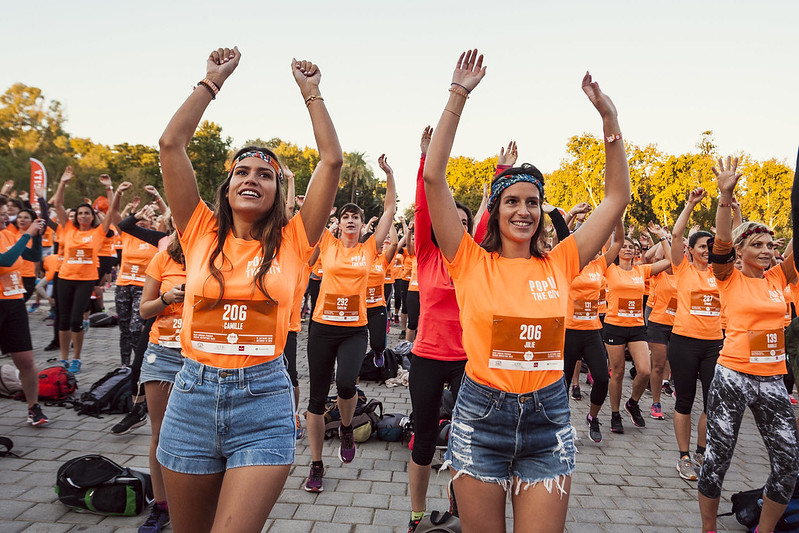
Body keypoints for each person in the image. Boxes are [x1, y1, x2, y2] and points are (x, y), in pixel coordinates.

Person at [423, 49, 630, 532]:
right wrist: (458, 94)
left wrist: (610, 119)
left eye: (533, 202)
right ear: (495, 211)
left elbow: (616, 197)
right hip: (481, 416)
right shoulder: (470, 260)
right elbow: (435, 177)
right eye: (512, 201)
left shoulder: (561, 262)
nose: (524, 210)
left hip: (549, 419)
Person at [157, 46, 342, 533]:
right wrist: (211, 83)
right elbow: (171, 145)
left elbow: (332, 160)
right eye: (242, 171)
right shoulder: (197, 230)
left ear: (279, 191)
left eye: (265, 174)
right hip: (192, 394)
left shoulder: (297, 241)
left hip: (262, 400)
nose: (252, 179)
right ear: (227, 185)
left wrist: (313, 95)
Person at [698, 156, 799, 533]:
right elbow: (721, 241)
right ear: (740, 251)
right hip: (733, 376)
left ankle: (765, 529)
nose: (768, 250)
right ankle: (709, 528)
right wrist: (725, 196)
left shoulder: (778, 278)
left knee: (788, 462)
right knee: (717, 459)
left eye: (771, 245)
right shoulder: (727, 277)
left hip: (773, 379)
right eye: (757, 244)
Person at [304, 153, 396, 492]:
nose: (351, 220)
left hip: (354, 329)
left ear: (361, 225)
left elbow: (389, 211)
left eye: (356, 216)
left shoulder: (369, 249)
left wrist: (388, 175)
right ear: (339, 224)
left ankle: (345, 427)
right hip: (322, 329)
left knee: (345, 384)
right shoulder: (326, 243)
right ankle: (315, 465)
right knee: (315, 398)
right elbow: (310, 212)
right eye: (346, 217)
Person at [407, 125, 473, 532]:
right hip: (427, 359)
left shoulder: (473, 259)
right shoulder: (427, 255)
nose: (456, 223)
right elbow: (422, 206)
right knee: (425, 438)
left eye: (463, 220)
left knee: (467, 440)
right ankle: (416, 514)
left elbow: (485, 223)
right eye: (451, 217)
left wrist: (503, 170)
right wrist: (426, 158)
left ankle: (459, 507)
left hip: (468, 361)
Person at [668, 188, 728, 480]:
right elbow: (677, 235)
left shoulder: (723, 274)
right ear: (691, 250)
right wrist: (690, 205)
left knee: (711, 403)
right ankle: (684, 456)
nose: (707, 250)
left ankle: (703, 451)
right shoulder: (682, 269)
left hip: (714, 345)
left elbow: (734, 242)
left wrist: (729, 205)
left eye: (711, 246)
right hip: (683, 343)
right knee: (684, 401)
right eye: (702, 246)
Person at [603, 229, 671, 433]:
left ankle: (632, 403)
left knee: (644, 370)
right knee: (618, 372)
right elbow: (607, 244)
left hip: (636, 327)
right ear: (617, 251)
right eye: (624, 246)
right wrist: (615, 219)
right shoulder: (609, 269)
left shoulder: (641, 270)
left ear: (635, 253)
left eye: (631, 247)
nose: (627, 249)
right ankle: (615, 414)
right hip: (614, 326)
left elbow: (670, 260)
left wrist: (662, 237)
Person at [563, 218, 623, 443]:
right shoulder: (568, 263)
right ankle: (561, 424)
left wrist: (616, 218)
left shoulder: (599, 264)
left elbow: (618, 242)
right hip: (568, 331)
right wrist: (570, 217)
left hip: (591, 331)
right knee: (563, 383)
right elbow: (559, 238)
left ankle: (592, 417)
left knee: (601, 378)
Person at [52, 168, 115, 373]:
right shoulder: (68, 229)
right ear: (76, 216)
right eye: (80, 213)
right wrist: (63, 183)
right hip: (64, 278)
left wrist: (109, 188)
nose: (83, 215)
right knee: (62, 320)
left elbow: (112, 209)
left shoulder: (99, 232)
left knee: (75, 319)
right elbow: (58, 205)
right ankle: (63, 358)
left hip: (86, 280)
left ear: (92, 216)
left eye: (87, 212)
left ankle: (76, 359)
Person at [0, 199, 47, 425]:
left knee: (26, 360)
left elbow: (33, 256)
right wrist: (28, 234)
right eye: (1, 214)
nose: (5, 218)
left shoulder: (8, 235)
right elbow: (5, 260)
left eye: (4, 214)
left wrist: (36, 235)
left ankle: (33, 408)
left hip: (14, 302)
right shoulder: (13, 235)